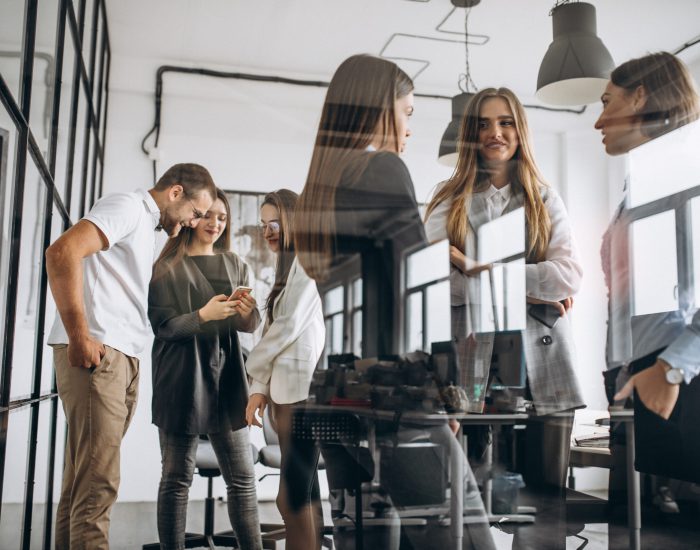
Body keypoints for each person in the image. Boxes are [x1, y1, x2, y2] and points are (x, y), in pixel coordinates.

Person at [294, 54, 495, 550]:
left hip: (334, 389)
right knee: (466, 542)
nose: (409, 128)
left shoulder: (317, 191)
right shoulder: (382, 167)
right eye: (407, 112)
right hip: (394, 390)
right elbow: (414, 292)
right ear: (381, 108)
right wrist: (444, 387)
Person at [46, 163, 216, 550]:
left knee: (83, 483)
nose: (194, 222)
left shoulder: (143, 224)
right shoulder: (126, 206)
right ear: (175, 193)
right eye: (195, 212)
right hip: (98, 354)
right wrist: (79, 335)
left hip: (118, 356)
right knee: (98, 484)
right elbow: (61, 252)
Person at [424, 87, 584, 490]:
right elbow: (433, 284)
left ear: (520, 131)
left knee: (545, 505)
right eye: (483, 124)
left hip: (542, 367)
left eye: (505, 122)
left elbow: (568, 275)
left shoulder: (546, 199)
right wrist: (528, 288)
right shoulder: (448, 200)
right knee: (464, 501)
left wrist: (474, 268)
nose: (494, 132)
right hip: (468, 365)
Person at [594, 52, 700, 491]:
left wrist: (673, 367)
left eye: (606, 102)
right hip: (638, 372)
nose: (599, 122)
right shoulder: (644, 182)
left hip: (674, 376)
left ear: (640, 97)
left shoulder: (686, 172)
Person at [148, 188, 263, 549]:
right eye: (209, 215)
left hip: (228, 379)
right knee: (176, 478)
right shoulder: (166, 267)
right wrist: (202, 316)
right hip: (182, 376)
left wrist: (246, 314)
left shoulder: (235, 264)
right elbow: (163, 327)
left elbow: (251, 325)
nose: (215, 223)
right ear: (193, 217)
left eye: (223, 218)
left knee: (243, 479)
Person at [244, 189, 325, 550]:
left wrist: (255, 378)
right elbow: (279, 325)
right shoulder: (290, 265)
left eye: (274, 223)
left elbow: (287, 325)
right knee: (303, 491)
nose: (268, 231)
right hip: (290, 390)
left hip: (300, 391)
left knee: (291, 495)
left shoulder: (308, 259)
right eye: (263, 225)